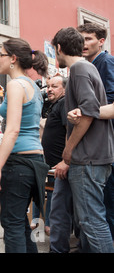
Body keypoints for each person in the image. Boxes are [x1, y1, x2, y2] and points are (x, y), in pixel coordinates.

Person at [51, 27, 114, 253]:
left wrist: (68, 151)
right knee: (90, 220)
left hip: (88, 159)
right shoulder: (86, 68)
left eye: (54, 50)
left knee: (91, 221)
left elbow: (88, 112)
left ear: (59, 48)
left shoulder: (78, 68)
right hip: (93, 158)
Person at [0, 38, 49, 253]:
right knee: (20, 222)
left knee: (12, 224)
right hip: (34, 162)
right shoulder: (32, 85)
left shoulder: (15, 85)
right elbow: (36, 127)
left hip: (19, 164)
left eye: (0, 54)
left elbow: (12, 130)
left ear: (12, 59)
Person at [77, 22, 114, 240]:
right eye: (80, 38)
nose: (83, 43)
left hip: (107, 149)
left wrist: (83, 112)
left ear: (101, 42)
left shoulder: (106, 62)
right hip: (100, 148)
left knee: (107, 210)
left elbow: (111, 100)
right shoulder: (89, 65)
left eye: (88, 38)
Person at [40, 75, 77, 253]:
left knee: (60, 211)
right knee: (59, 209)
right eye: (48, 86)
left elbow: (69, 131)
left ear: (64, 89)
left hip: (62, 167)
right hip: (56, 167)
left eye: (54, 86)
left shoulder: (64, 104)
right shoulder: (56, 104)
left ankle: (58, 248)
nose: (49, 89)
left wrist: (65, 161)